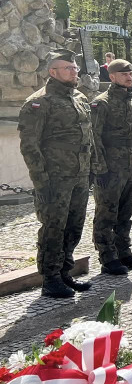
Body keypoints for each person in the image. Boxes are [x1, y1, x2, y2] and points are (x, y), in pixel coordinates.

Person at [18, 50, 94, 298]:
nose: (74, 72)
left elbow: (88, 137)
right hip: (55, 178)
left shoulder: (79, 98)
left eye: (75, 68)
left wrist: (91, 169)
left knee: (74, 225)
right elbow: (30, 146)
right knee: (54, 227)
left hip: (79, 174)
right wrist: (41, 181)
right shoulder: (39, 102)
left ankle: (64, 272)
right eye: (68, 68)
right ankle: (50, 278)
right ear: (53, 72)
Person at [90, 59, 132, 275]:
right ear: (112, 76)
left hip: (130, 166)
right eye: (123, 74)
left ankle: (124, 252)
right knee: (106, 214)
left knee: (125, 213)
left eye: (130, 73)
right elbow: (94, 137)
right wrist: (99, 168)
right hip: (110, 169)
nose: (128, 77)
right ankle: (107, 257)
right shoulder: (101, 103)